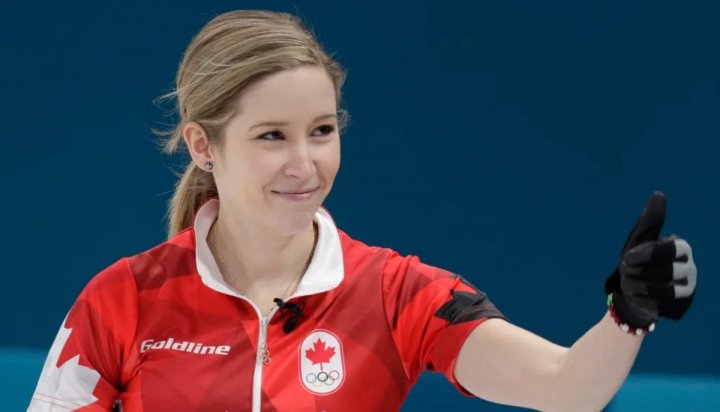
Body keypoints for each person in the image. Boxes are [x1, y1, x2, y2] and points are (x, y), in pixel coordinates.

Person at [28, 10, 697, 412]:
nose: (305, 163)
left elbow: (565, 389)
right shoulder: (122, 300)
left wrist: (627, 315)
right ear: (204, 146)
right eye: (272, 136)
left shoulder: (399, 295)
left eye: (321, 131)